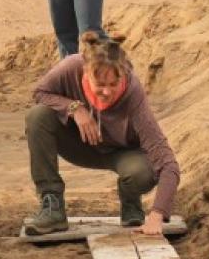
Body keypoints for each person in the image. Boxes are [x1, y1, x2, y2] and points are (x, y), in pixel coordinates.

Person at [24, 31, 180, 236]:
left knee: (141, 172)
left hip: (123, 154)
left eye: (113, 84)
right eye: (100, 85)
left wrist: (157, 215)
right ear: (85, 72)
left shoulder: (134, 94)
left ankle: (130, 199)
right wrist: (74, 108)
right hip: (80, 143)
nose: (107, 92)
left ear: (123, 75)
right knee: (38, 116)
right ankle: (52, 205)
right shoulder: (70, 67)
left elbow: (169, 164)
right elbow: (40, 93)